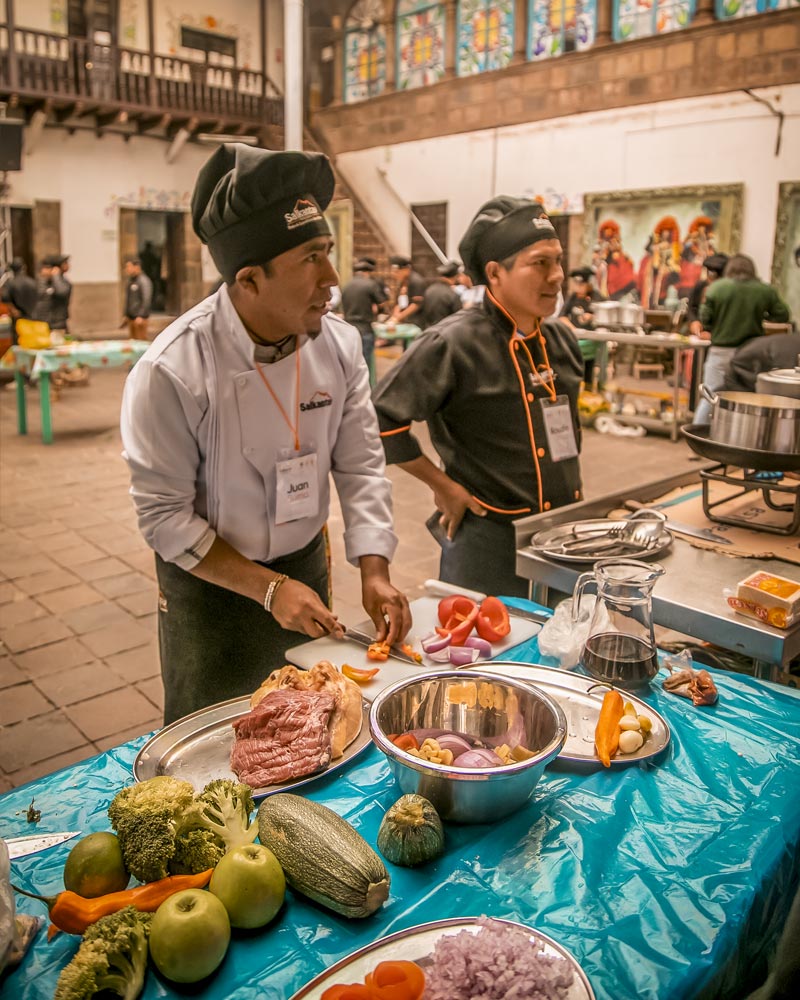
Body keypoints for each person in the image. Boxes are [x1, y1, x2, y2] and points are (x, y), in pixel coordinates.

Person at [120, 143, 411, 724]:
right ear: (248, 279)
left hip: (305, 568)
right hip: (212, 592)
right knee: (219, 748)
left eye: (328, 252)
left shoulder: (340, 344)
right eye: (310, 259)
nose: (332, 278)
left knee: (315, 734)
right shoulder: (174, 370)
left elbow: (359, 464)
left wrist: (374, 571)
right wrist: (266, 589)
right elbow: (165, 518)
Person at [372, 196, 584, 598]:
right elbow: (378, 420)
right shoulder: (451, 343)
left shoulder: (561, 341)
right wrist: (443, 485)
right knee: (479, 656)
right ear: (495, 272)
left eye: (558, 260)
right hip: (488, 542)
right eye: (540, 263)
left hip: (566, 538)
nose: (557, 276)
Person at [695, 254, 791, 424]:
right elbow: (782, 314)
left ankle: (697, 437)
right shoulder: (764, 290)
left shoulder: (717, 288)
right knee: (746, 399)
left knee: (709, 395)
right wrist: (763, 316)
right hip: (751, 353)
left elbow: (705, 318)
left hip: (720, 351)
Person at [341, 257, 385, 377]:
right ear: (367, 272)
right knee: (364, 365)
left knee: (350, 363)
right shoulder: (370, 284)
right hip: (365, 329)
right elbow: (381, 303)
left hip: (348, 328)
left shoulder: (346, 285)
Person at [686, 253, 728, 338]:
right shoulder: (700, 286)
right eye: (709, 276)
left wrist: (714, 335)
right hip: (701, 337)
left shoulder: (730, 292)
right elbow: (692, 307)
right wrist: (694, 321)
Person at [386, 254, 426, 331]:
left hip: (416, 324)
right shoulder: (403, 282)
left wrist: (398, 317)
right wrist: (394, 317)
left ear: (406, 270)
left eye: (396, 272)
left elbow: (416, 305)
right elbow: (400, 302)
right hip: (406, 322)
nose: (394, 275)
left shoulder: (416, 281)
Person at [2, 258, 37, 343]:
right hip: (32, 316)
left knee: (19, 341)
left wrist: (13, 310)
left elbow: (4, 298)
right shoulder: (33, 282)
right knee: (32, 341)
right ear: (24, 267)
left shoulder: (11, 283)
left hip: (18, 318)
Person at [419, 260, 462, 330]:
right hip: (445, 333)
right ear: (455, 277)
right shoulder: (453, 295)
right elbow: (458, 319)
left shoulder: (429, 290)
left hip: (428, 331)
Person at [560, 266, 602, 331]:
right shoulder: (573, 297)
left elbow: (605, 318)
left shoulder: (596, 297)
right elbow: (562, 317)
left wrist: (592, 317)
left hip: (593, 335)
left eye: (581, 285)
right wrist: (574, 329)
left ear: (588, 285)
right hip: (576, 335)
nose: (578, 289)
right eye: (576, 285)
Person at [123, 257, 153, 339]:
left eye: (129, 266)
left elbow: (146, 299)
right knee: (132, 342)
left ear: (136, 267)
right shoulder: (131, 281)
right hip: (131, 317)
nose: (127, 269)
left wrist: (141, 315)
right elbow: (128, 299)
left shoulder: (144, 281)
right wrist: (126, 314)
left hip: (139, 318)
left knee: (141, 342)